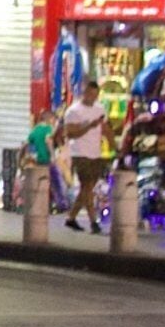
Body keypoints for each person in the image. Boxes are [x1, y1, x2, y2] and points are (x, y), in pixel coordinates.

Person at [54, 90, 113, 229]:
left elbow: (105, 129)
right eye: (90, 94)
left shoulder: (100, 109)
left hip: (95, 153)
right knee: (87, 186)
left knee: (88, 187)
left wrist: (114, 146)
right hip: (79, 153)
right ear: (84, 94)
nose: (93, 97)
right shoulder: (73, 111)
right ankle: (93, 221)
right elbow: (70, 133)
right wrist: (89, 126)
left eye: (95, 94)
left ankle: (71, 217)